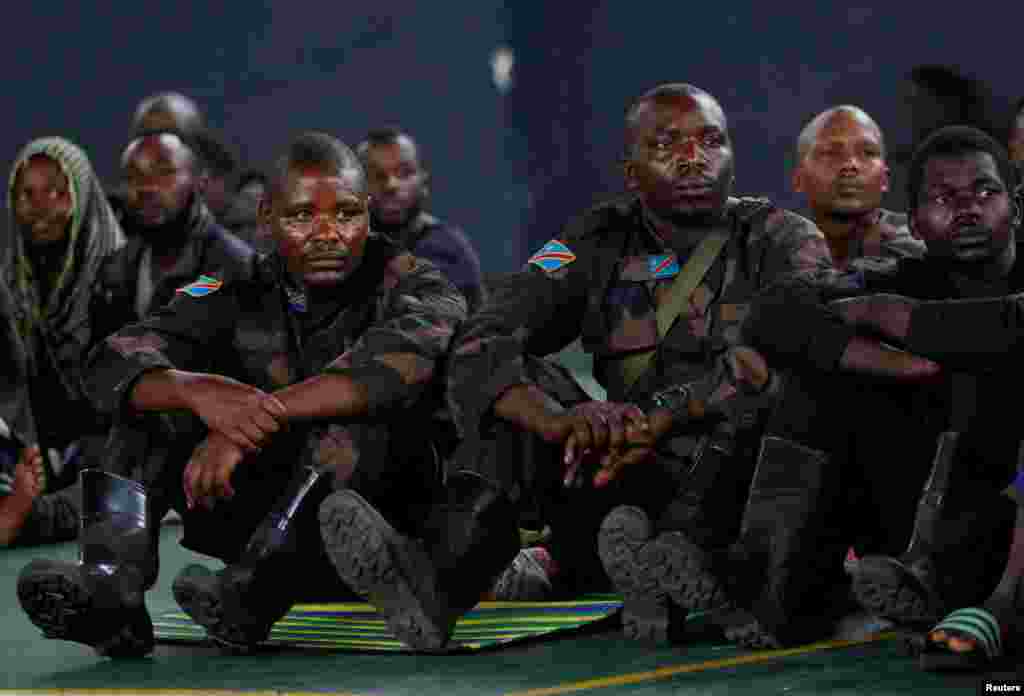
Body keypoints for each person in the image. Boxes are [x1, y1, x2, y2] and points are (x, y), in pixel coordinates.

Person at [445, 82, 935, 647]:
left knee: (793, 384)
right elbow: (484, 333)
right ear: (631, 173)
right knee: (508, 380)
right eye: (667, 144)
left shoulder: (780, 238)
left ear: (732, 156)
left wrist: (661, 412)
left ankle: (662, 566)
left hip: (737, 475)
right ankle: (449, 570)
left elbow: (785, 356)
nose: (693, 157)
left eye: (710, 141)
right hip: (620, 463)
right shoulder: (587, 240)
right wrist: (557, 418)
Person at [16, 132, 511, 658]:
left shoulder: (418, 283)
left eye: (346, 214)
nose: (328, 234)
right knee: (150, 405)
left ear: (367, 214)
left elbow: (387, 373)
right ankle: (110, 591)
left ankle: (252, 592)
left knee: (356, 418)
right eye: (302, 217)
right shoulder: (233, 284)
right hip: (262, 506)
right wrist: (198, 391)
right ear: (268, 217)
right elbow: (111, 360)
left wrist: (250, 417)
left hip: (376, 535)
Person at [745, 125, 1023, 666]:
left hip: (1008, 509)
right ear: (915, 222)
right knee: (811, 378)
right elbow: (775, 309)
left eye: (986, 192)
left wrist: (890, 315)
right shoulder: (904, 273)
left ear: (1016, 205)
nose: (967, 209)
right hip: (935, 502)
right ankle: (777, 581)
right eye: (944, 198)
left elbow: (1010, 322)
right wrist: (873, 355)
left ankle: (981, 600)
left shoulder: (900, 295)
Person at [0, 137, 125, 546]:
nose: (40, 206)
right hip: (48, 456)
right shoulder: (12, 283)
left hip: (122, 449)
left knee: (106, 493)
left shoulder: (121, 276)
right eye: (27, 193)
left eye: (57, 191)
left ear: (83, 196)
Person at [92, 131, 256, 343]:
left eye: (164, 172)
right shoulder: (114, 269)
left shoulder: (238, 267)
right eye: (133, 176)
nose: (146, 187)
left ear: (200, 181)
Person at [357, 129, 485, 312]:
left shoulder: (450, 249)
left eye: (404, 173)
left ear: (424, 182)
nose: (391, 184)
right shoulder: (336, 251)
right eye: (376, 175)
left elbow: (478, 331)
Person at [793, 105, 924, 270]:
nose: (850, 165)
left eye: (867, 153)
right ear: (799, 179)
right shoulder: (778, 252)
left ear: (884, 179)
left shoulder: (922, 245)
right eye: (831, 153)